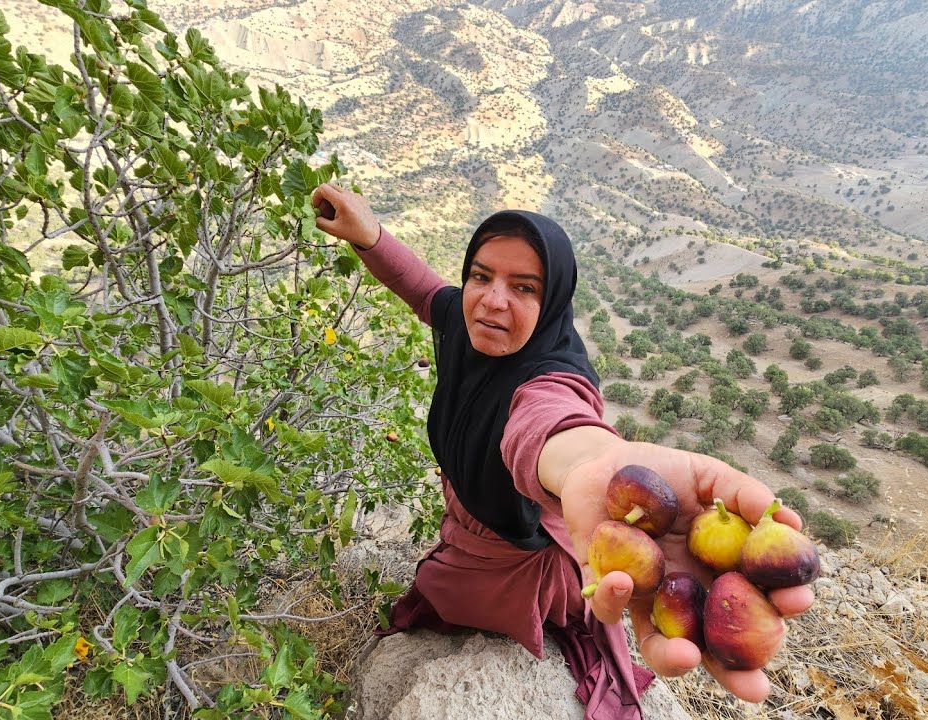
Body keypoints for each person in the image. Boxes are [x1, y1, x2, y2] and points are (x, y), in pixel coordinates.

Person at [311, 183, 815, 718]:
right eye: (481, 276)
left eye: (524, 288)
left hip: (514, 559)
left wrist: (594, 469)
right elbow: (425, 291)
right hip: (468, 522)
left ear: (551, 302)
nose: (493, 299)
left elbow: (553, 428)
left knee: (445, 600)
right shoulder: (467, 322)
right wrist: (369, 236)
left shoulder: (550, 380)